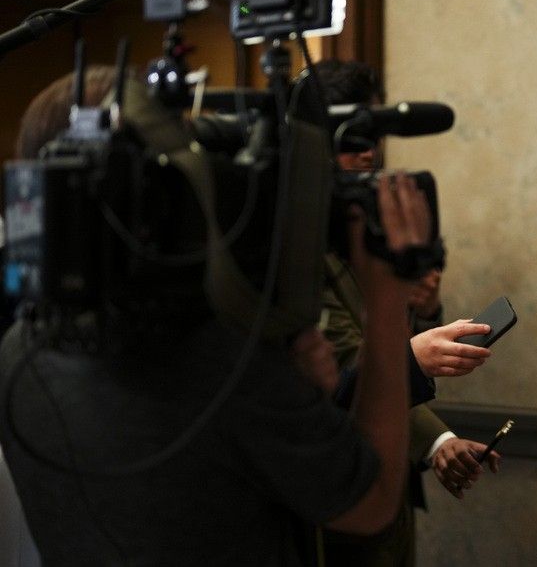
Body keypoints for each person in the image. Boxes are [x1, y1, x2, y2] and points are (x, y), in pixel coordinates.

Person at [0, 67, 433, 565]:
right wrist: (386, 299)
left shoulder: (18, 350)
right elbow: (371, 504)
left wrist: (296, 394)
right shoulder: (219, 362)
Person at [314, 59, 500, 566]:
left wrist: (420, 307)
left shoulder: (363, 224)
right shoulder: (295, 247)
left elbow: (385, 342)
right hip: (330, 499)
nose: (368, 151)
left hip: (389, 481)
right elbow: (339, 375)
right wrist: (412, 359)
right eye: (351, 138)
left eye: (372, 133)